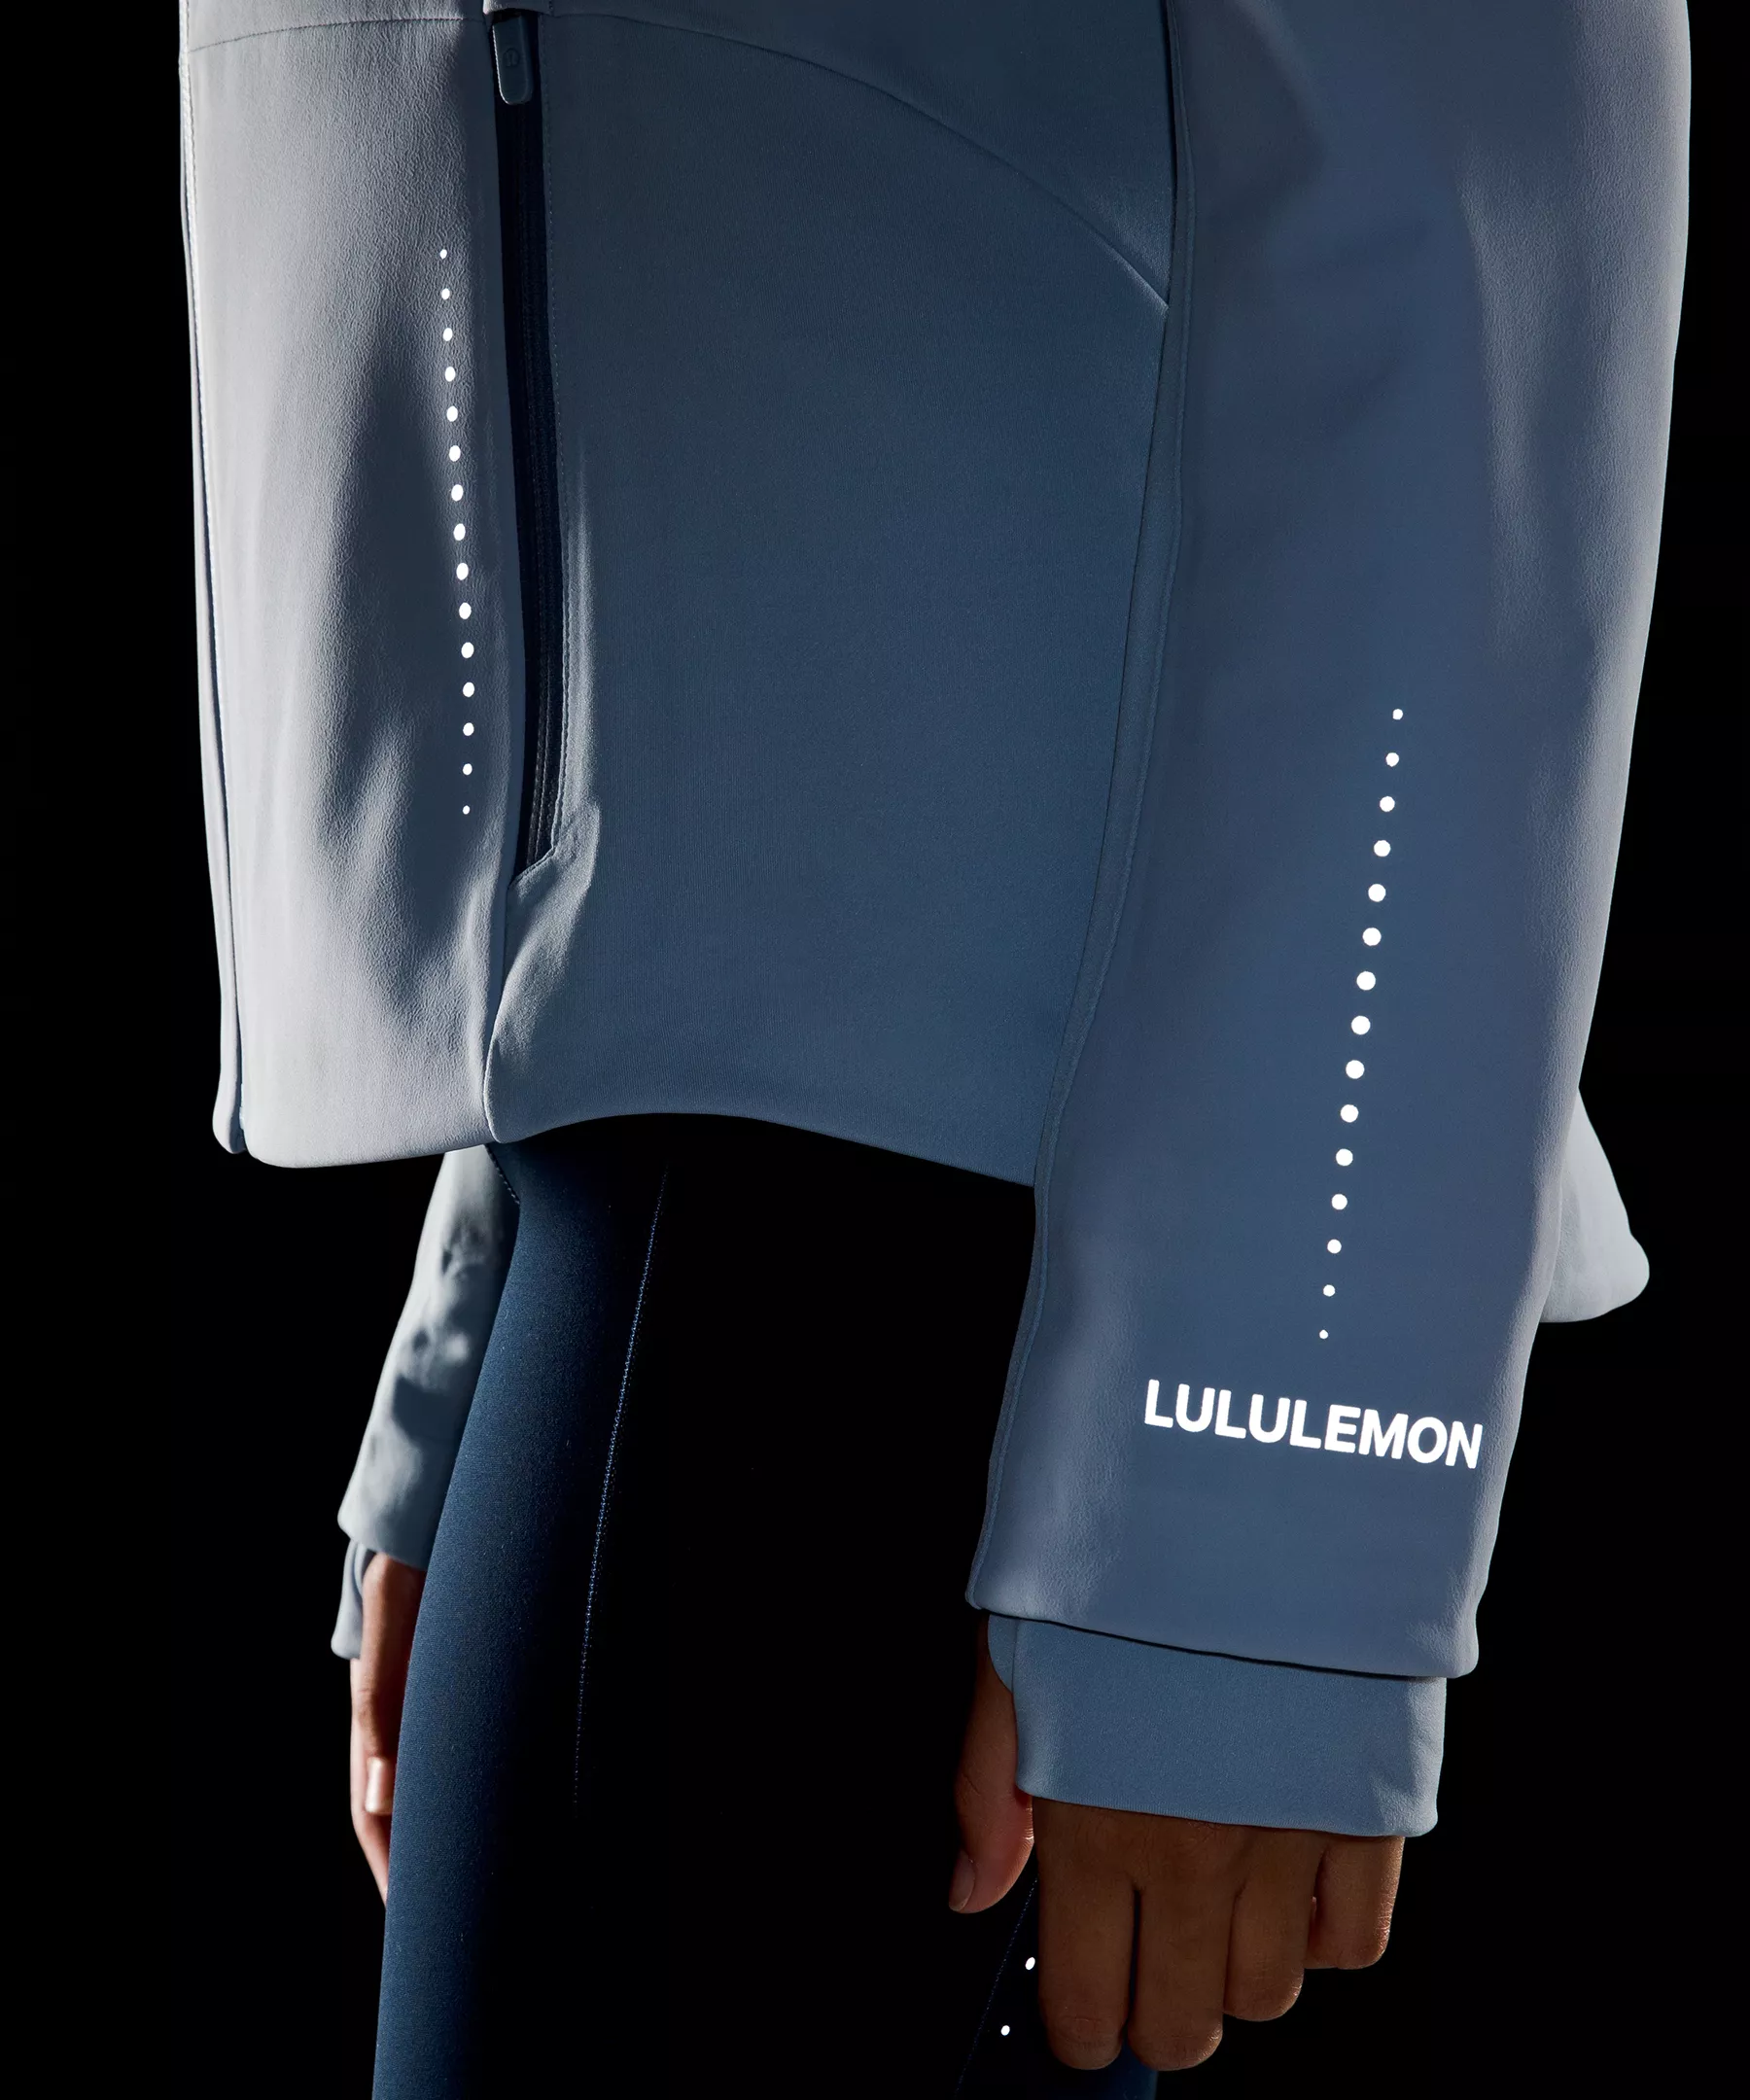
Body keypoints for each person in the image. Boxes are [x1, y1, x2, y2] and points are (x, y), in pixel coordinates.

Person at [178, 3, 1688, 2092]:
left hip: (982, 1264)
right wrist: (487, 1289)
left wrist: (1251, 1521)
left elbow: (1481, 247)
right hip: (629, 1219)